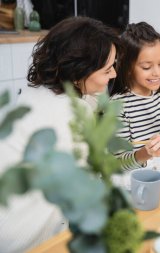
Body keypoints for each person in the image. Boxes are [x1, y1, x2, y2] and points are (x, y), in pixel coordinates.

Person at [0, 16, 121, 252]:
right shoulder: (69, 116)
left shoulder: (37, 91)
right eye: (108, 69)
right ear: (78, 73)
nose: (114, 74)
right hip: (26, 236)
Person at [109, 22, 160, 176]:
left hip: (154, 169)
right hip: (128, 179)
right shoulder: (118, 106)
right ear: (128, 67)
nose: (157, 73)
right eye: (146, 67)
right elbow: (116, 164)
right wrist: (145, 153)